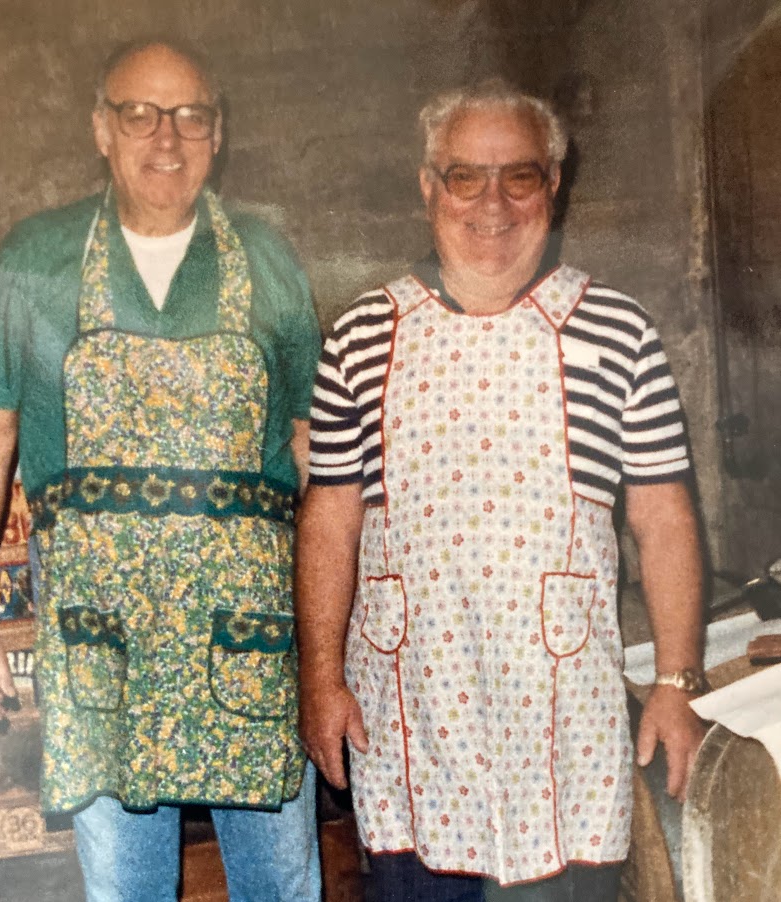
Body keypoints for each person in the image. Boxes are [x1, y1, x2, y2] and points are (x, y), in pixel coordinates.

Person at [295, 79, 707, 902]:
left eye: (518, 176)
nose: (492, 203)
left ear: (552, 185)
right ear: (426, 186)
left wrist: (675, 681)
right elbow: (329, 519)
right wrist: (320, 680)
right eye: (463, 177)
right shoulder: (363, 333)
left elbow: (662, 518)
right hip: (410, 717)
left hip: (563, 724)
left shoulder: (616, 331)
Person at [0, 39, 322, 902]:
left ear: (217, 132)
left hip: (246, 628)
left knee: (283, 880)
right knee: (125, 889)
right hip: (98, 630)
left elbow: (312, 442)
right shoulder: (37, 258)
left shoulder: (266, 258)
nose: (167, 137)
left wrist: (327, 616)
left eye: (190, 115)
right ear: (101, 130)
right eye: (139, 113)